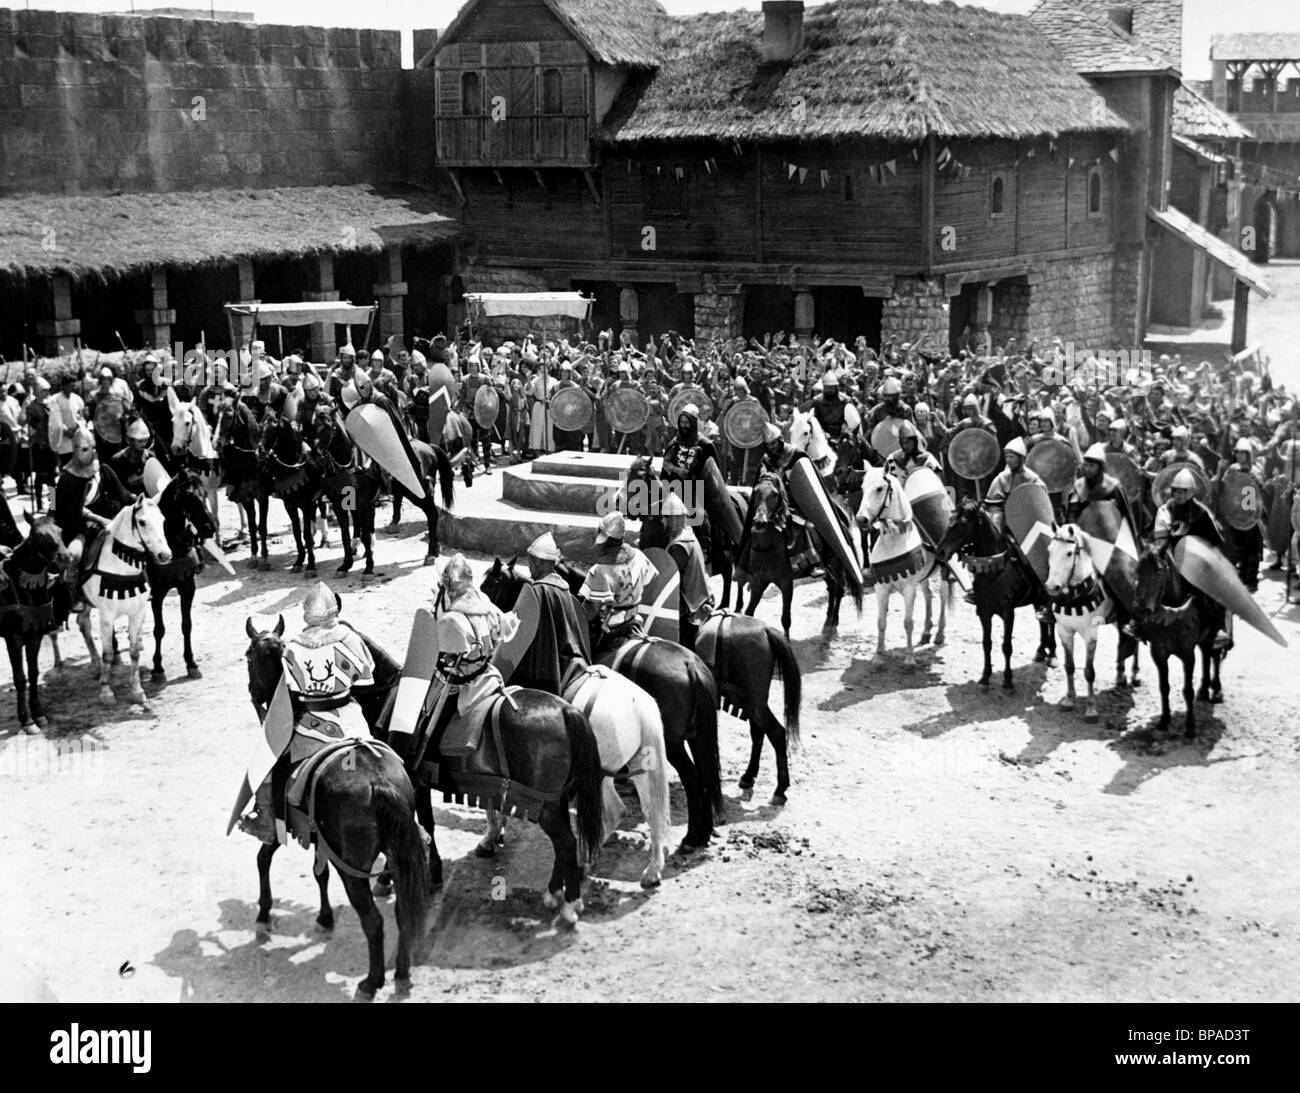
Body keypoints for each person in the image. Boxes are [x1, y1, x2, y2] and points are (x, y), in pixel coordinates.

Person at [236, 581, 377, 844]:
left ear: (305, 614)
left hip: (312, 726)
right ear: (335, 611)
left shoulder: (294, 646)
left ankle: (268, 821)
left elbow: (289, 688)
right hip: (352, 722)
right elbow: (366, 682)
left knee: (274, 766)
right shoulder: (351, 638)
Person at [397, 555, 520, 775]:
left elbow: (444, 658)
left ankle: (423, 766)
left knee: (423, 717)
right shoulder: (490, 608)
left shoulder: (451, 621)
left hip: (463, 684)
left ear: (447, 587)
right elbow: (507, 631)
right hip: (488, 675)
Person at [1151, 467, 1230, 649]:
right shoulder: (1166, 509)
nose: (1178, 495)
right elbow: (1158, 537)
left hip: (1197, 562)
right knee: (1148, 582)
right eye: (1176, 491)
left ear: (1190, 492)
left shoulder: (1201, 513)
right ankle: (1140, 623)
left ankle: (1218, 629)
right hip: (1171, 559)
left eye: (1182, 491)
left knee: (1213, 591)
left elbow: (1217, 541)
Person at [54, 428, 135, 603]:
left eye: (90, 448)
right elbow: (63, 508)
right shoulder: (66, 477)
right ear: (74, 450)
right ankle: (75, 593)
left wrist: (138, 501)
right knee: (73, 554)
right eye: (82, 449)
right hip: (81, 527)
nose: (87, 453)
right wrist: (98, 519)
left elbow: (122, 492)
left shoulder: (103, 469)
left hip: (110, 521)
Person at [506, 532, 592, 693]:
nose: (529, 566)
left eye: (530, 561)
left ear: (538, 562)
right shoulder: (564, 587)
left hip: (549, 663)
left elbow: (519, 631)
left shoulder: (538, 590)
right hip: (570, 657)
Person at [579, 512, 658, 656]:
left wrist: (575, 618)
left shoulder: (600, 570)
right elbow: (648, 580)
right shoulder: (640, 556)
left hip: (611, 627)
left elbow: (591, 610)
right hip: (635, 620)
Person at [661, 491, 713, 650]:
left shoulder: (679, 546)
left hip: (689, 601)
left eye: (665, 518)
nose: (662, 521)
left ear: (672, 520)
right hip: (696, 595)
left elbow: (670, 579)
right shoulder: (689, 536)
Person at [1218, 438, 1265, 592]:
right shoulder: (1232, 469)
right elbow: (1225, 487)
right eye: (1237, 452)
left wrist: (1257, 482)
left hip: (1251, 517)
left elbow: (1261, 493)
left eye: (1242, 453)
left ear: (1248, 454)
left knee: (1251, 549)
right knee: (1239, 548)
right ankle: (1242, 575)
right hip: (1236, 515)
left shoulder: (1255, 471)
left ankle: (1252, 579)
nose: (1239, 455)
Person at [1066, 443, 1137, 530]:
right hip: (1083, 534)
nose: (1087, 469)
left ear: (1100, 467)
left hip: (1108, 535)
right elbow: (1072, 513)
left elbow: (1125, 517)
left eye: (1091, 465)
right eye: (1086, 465)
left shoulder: (1114, 487)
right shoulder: (1079, 486)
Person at [984, 436, 1043, 538]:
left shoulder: (1034, 480)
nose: (1008, 460)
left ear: (1021, 459)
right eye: (1006, 457)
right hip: (1005, 528)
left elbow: (1041, 510)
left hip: (1029, 528)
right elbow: (993, 508)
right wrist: (997, 531)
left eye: (1011, 457)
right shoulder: (1001, 479)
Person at [86, 366, 133, 464]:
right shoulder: (93, 396)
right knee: (104, 458)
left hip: (117, 431)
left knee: (118, 458)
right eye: (103, 379)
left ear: (111, 380)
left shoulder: (118, 395)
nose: (105, 381)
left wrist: (124, 416)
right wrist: (87, 412)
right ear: (100, 380)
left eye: (108, 379)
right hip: (101, 432)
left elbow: (127, 410)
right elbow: (90, 415)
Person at [108, 418, 154, 495]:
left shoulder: (150, 456)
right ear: (130, 440)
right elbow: (115, 485)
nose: (144, 444)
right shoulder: (117, 459)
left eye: (145, 440)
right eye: (140, 441)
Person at [49, 372, 85, 468]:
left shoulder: (78, 399)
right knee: (66, 467)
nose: (73, 388)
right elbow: (55, 419)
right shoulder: (55, 399)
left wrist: (79, 426)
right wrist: (66, 431)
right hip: (63, 439)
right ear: (63, 386)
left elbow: (81, 416)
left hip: (77, 437)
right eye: (70, 386)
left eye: (74, 386)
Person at [887, 420, 940, 484]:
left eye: (907, 442)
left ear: (914, 441)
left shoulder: (928, 459)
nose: (905, 446)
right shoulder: (892, 459)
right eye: (902, 442)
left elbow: (937, 482)